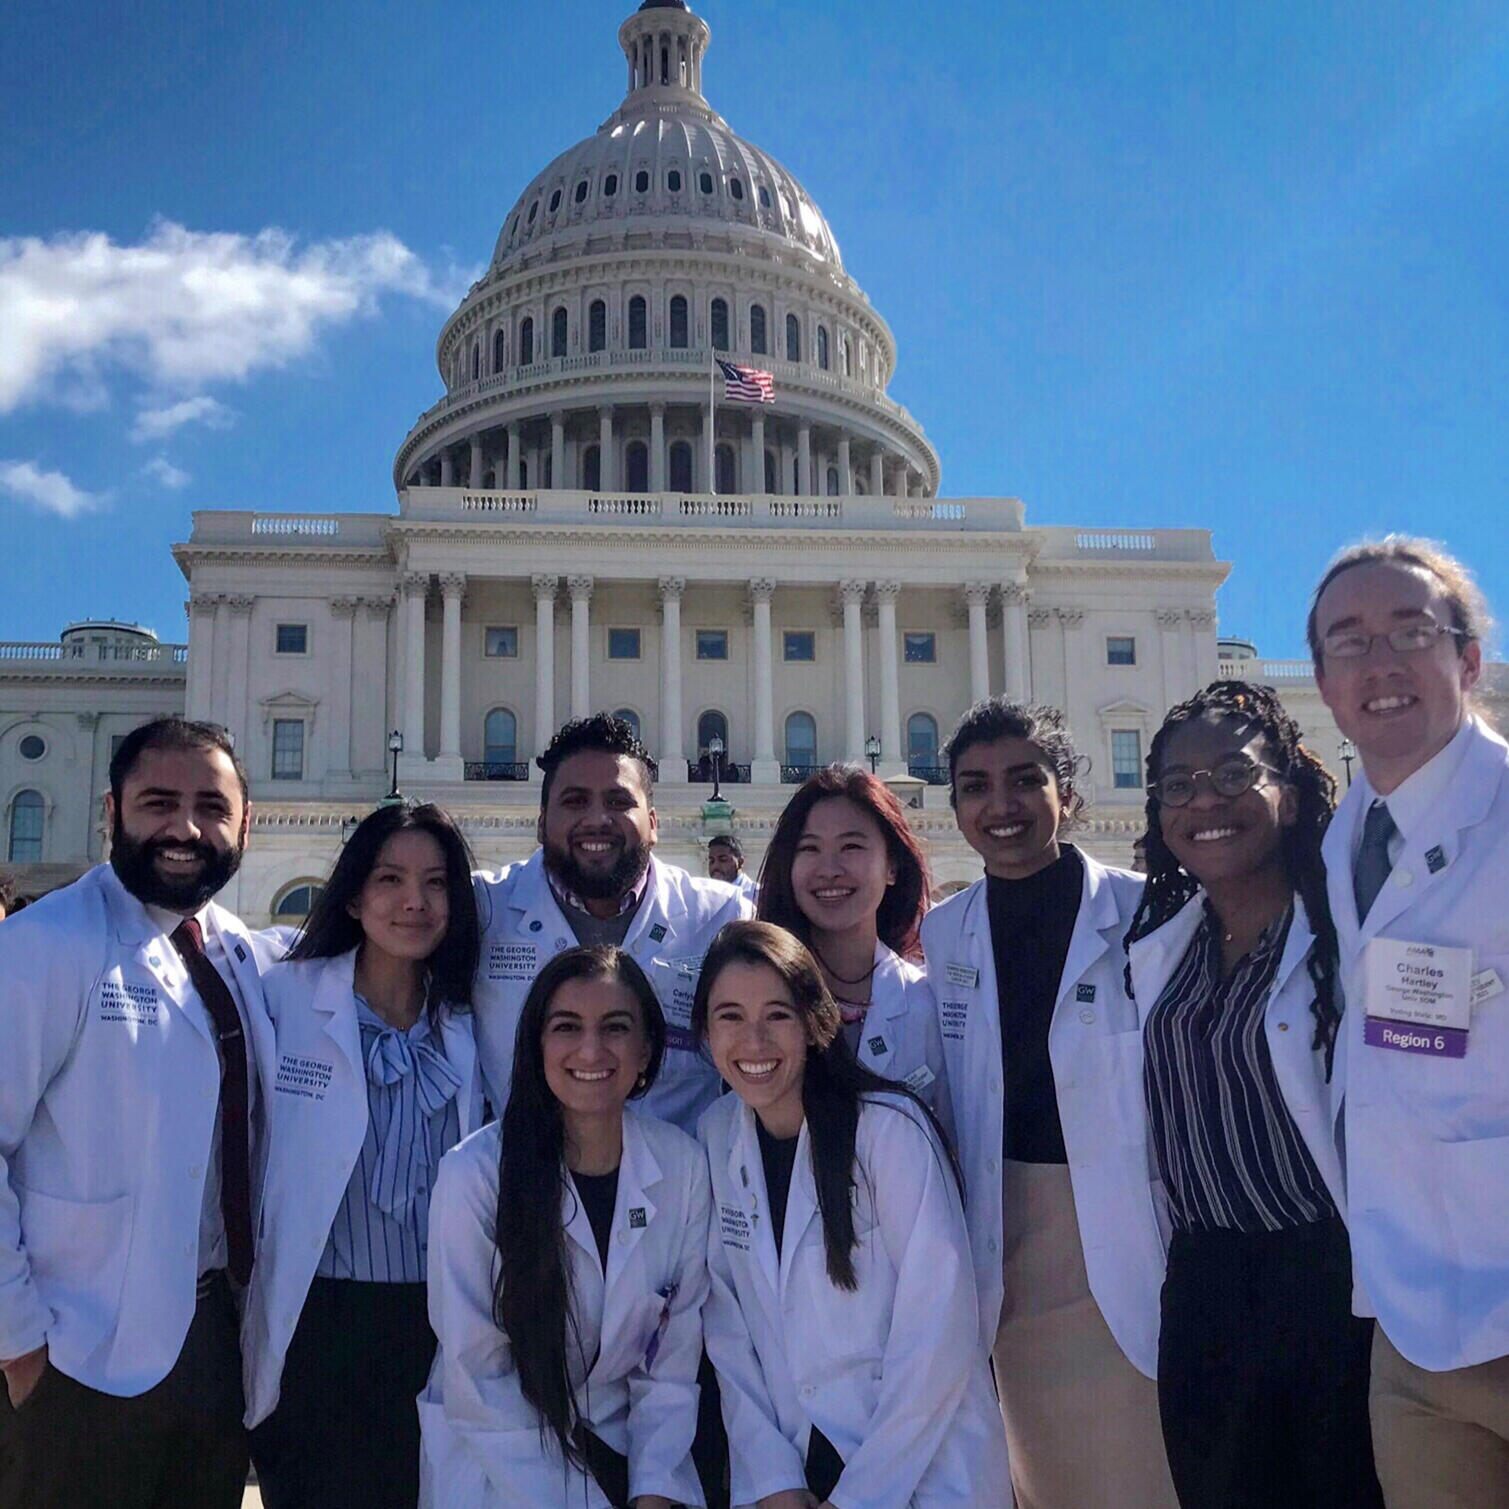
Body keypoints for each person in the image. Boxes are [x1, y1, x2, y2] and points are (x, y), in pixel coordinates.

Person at [0, 717, 282, 1509]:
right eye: (159, 802)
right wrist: (19, 1343)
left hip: (212, 1347)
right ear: (112, 810)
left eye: (210, 807)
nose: (185, 828)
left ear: (245, 824)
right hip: (74, 1355)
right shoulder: (44, 944)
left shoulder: (237, 951)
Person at [1124, 681, 1382, 1508]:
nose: (1204, 800)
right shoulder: (1158, 951)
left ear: (1292, 792)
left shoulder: (1347, 940)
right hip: (1203, 1288)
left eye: (1234, 775)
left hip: (1329, 1283)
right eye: (1177, 784)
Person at [920, 698, 1175, 1509]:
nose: (1000, 805)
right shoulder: (946, 929)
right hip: (1010, 1234)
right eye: (974, 785)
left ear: (1065, 790)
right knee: (1042, 1473)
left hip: (1130, 1223)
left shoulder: (1146, 912)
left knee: (1146, 1468)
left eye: (1024, 780)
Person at [1310, 536, 1509, 1504]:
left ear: (1468, 660)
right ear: (1321, 681)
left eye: (1410, 632)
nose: (1379, 664)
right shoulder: (1346, 832)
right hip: (1407, 1318)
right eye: (1348, 642)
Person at [695, 921, 1008, 1508]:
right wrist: (773, 1481)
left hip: (918, 1469)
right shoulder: (716, 1138)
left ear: (815, 1023)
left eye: (778, 1016)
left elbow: (940, 1330)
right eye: (730, 1016)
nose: (754, 1041)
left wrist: (859, 1498)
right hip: (796, 1468)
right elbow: (730, 1331)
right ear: (705, 1032)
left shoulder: (891, 1130)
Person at [243, 802, 487, 1508]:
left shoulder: (469, 1021)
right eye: (390, 878)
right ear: (352, 895)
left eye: (436, 882)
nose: (414, 900)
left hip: (435, 1321)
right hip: (319, 1324)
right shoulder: (285, 998)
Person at [419, 945, 710, 1508]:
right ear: (537, 1044)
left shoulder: (684, 1166)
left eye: (616, 1027)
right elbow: (477, 1375)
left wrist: (655, 1488)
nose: (591, 1049)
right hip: (503, 1468)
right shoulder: (473, 1176)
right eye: (567, 1027)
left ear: (648, 1049)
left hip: (625, 1448)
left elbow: (671, 1366)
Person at [473, 713, 751, 1134]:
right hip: (518, 1177)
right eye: (575, 801)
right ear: (542, 821)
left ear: (653, 824)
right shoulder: (482, 910)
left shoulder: (723, 917)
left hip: (679, 1188)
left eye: (619, 802)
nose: (598, 818)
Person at [756, 765, 950, 1125]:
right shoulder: (757, 994)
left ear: (891, 866)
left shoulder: (926, 1004)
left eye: (851, 846)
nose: (829, 869)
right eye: (809, 848)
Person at [707, 834, 758, 903]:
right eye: (711, 861)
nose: (715, 866)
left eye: (723, 860)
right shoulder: (705, 895)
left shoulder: (757, 894)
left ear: (740, 862)